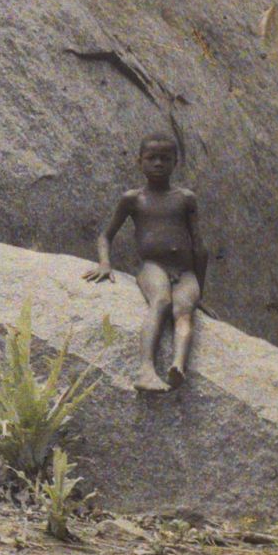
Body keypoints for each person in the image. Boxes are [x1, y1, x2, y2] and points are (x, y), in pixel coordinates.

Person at [83, 133, 207, 391]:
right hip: (154, 267)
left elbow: (198, 246)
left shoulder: (185, 198)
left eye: (165, 158)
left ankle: (178, 365)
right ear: (139, 162)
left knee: (184, 310)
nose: (158, 164)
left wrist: (200, 292)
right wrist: (105, 263)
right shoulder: (133, 199)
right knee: (160, 301)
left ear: (176, 162)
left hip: (184, 271)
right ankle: (146, 370)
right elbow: (106, 236)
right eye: (152, 158)